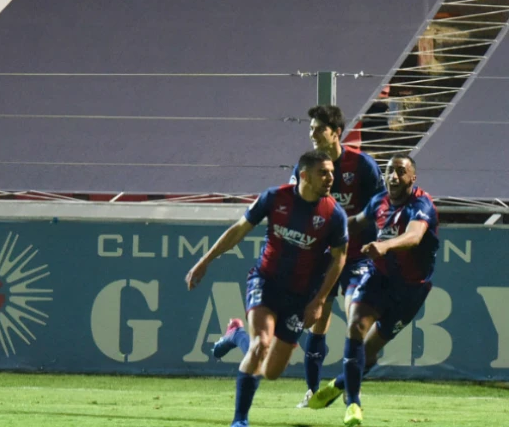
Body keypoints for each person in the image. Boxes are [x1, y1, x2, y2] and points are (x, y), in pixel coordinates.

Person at [211, 105, 385, 408]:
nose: (312, 134)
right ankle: (311, 389)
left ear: (336, 132)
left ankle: (349, 392)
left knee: (358, 322)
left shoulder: (362, 166)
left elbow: (382, 206)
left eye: (319, 128)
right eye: (311, 128)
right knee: (312, 326)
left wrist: (381, 241)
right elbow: (295, 209)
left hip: (356, 257)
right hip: (321, 259)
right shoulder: (304, 170)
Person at [186, 150, 348, 427]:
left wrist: (319, 300)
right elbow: (238, 230)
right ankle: (240, 420)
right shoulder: (275, 198)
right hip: (265, 282)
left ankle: (236, 335)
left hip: (300, 296)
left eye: (332, 172)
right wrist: (205, 261)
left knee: (271, 371)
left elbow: (339, 258)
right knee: (261, 343)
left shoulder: (334, 214)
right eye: (323, 172)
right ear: (305, 175)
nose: (330, 178)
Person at [307, 154, 440, 427]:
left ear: (412, 178)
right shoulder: (379, 201)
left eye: (400, 171)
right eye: (390, 171)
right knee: (355, 325)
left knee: (367, 352)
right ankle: (353, 404)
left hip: (410, 291)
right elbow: (357, 221)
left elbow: (414, 236)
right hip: (378, 278)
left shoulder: (422, 204)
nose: (393, 177)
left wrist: (386, 245)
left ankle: (339, 384)